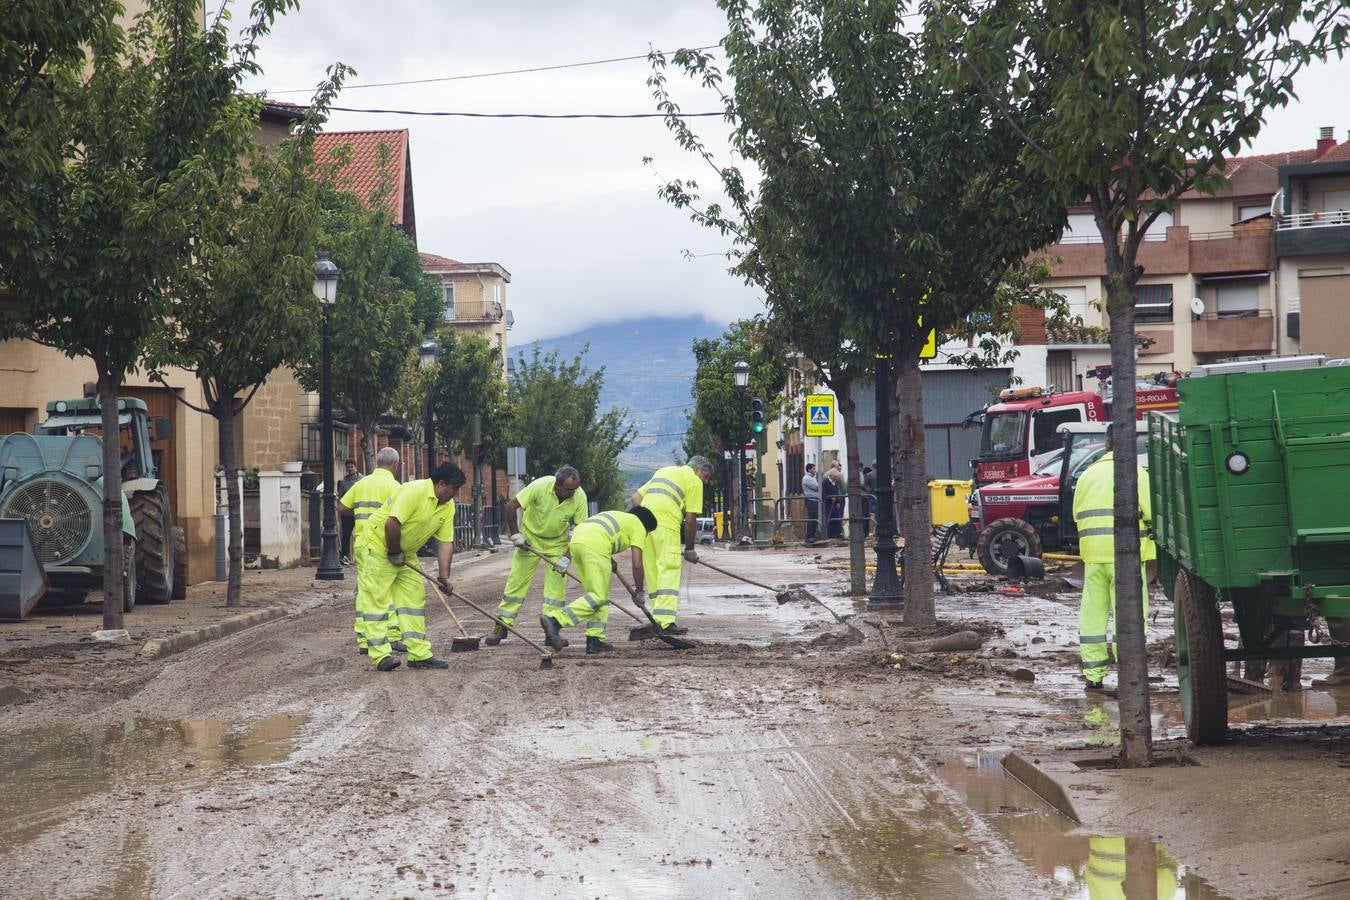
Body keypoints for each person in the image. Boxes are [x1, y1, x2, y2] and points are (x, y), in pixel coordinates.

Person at [357, 462, 466, 672]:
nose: (456, 494)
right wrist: (394, 552)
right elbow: (392, 524)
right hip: (377, 546)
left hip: (405, 553)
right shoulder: (413, 491)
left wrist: (444, 577)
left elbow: (445, 542)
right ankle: (381, 656)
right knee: (376, 600)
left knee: (414, 599)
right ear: (441, 484)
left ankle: (419, 654)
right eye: (454, 488)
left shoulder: (447, 506)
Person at [1072, 426, 1153, 691]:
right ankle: (1129, 672)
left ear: (1106, 443)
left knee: (1093, 614)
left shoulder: (1087, 474)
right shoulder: (1135, 473)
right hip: (1127, 556)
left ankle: (1093, 675)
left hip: (1093, 557)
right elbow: (1152, 513)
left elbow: (1077, 515)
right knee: (1128, 616)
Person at [491, 465, 587, 645]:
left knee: (556, 591)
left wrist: (566, 557)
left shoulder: (579, 496)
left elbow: (580, 530)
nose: (573, 493)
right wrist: (515, 534)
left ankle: (551, 629)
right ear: (557, 486)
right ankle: (502, 625)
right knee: (516, 582)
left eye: (575, 489)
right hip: (531, 540)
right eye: (569, 490)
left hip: (557, 544)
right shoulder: (540, 486)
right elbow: (511, 506)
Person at [541, 506, 658, 654]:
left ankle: (594, 639)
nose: (645, 536)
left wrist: (566, 558)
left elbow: (592, 534)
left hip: (577, 543)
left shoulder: (616, 515)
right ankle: (555, 620)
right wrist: (640, 591)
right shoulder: (638, 525)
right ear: (646, 526)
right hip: (595, 547)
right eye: (648, 533)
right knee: (598, 596)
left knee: (599, 596)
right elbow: (637, 564)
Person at [629, 456, 713, 634]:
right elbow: (690, 519)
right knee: (668, 571)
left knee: (653, 573)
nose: (705, 482)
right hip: (667, 528)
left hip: (645, 529)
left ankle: (657, 619)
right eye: (706, 476)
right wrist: (690, 548)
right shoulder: (694, 481)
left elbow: (636, 498)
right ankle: (665, 622)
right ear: (697, 469)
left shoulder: (664, 471)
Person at [339, 448, 402, 655]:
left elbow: (341, 507)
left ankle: (364, 637)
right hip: (382, 544)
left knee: (365, 589)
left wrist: (359, 511)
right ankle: (390, 636)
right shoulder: (395, 487)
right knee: (387, 589)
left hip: (361, 544)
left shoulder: (361, 484)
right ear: (395, 464)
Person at [336, 459, 362, 563]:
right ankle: (344, 555)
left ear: (356, 467)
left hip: (360, 512)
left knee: (361, 534)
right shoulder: (343, 482)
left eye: (352, 467)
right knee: (346, 534)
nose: (350, 469)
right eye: (348, 467)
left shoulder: (362, 480)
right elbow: (341, 497)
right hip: (347, 513)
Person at [824, 466, 844, 539]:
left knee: (837, 519)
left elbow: (837, 491)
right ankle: (830, 536)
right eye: (835, 476)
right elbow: (824, 493)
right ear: (831, 476)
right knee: (830, 520)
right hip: (829, 504)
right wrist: (830, 498)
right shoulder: (825, 482)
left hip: (835, 504)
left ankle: (837, 535)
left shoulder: (836, 482)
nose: (836, 478)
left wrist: (838, 500)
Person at [802, 463, 820, 545]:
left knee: (815, 518)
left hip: (815, 500)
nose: (815, 470)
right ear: (809, 470)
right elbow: (817, 487)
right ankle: (809, 536)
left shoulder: (812, 477)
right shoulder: (807, 478)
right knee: (812, 518)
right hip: (811, 500)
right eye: (813, 469)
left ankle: (812, 535)